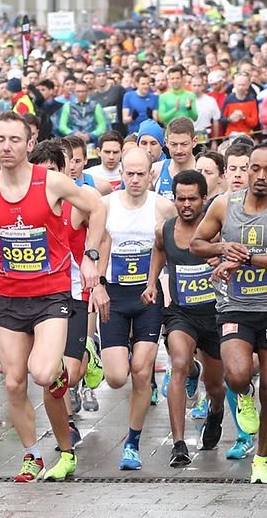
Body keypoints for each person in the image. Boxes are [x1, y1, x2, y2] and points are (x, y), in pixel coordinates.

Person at [0, 111, 108, 482]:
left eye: (14, 140)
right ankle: (32, 455)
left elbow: (98, 208)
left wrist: (91, 257)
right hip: (9, 296)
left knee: (43, 373)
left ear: (29, 144)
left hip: (51, 294)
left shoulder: (52, 182)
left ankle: (75, 362)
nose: (5, 147)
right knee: (13, 382)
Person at [188, 142, 267, 484]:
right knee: (238, 375)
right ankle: (244, 396)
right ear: (246, 169)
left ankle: (263, 459)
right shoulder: (225, 204)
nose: (262, 176)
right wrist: (221, 246)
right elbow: (196, 244)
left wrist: (246, 258)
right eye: (256, 169)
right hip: (234, 306)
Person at [96, 148, 174, 471]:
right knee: (116, 377)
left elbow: (174, 246)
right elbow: (96, 244)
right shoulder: (105, 205)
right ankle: (116, 348)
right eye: (129, 173)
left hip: (147, 295)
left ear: (151, 174)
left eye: (142, 173)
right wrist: (97, 285)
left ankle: (132, 442)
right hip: (114, 294)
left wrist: (163, 285)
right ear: (121, 174)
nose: (135, 179)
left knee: (142, 372)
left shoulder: (162, 207)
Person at [157, 169, 229, 467]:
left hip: (213, 316)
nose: (186, 204)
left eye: (192, 199)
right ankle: (179, 444)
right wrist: (151, 284)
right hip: (181, 315)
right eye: (180, 199)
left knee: (216, 386)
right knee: (179, 365)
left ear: (204, 199)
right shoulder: (166, 229)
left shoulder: (216, 230)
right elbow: (158, 252)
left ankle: (215, 412)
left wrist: (222, 259)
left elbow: (237, 256)